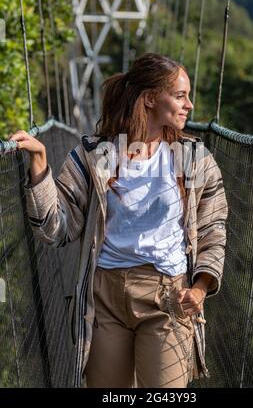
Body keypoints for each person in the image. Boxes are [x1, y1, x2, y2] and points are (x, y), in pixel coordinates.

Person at [8, 53, 228, 388]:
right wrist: (39, 165)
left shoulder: (196, 160)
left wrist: (200, 288)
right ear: (152, 99)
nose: (190, 105)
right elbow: (55, 230)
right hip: (104, 300)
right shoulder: (92, 156)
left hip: (168, 299)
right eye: (180, 95)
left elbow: (214, 228)